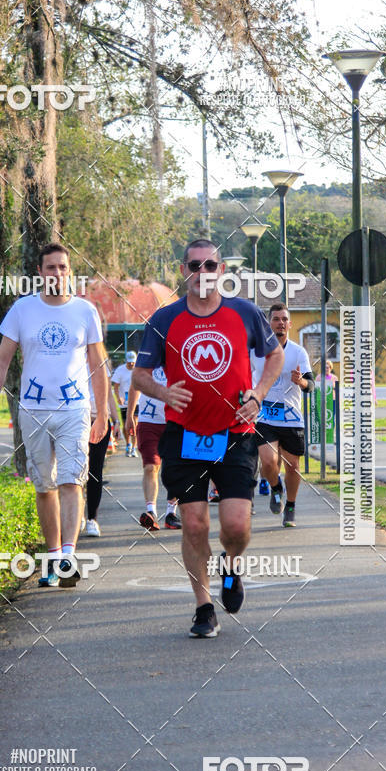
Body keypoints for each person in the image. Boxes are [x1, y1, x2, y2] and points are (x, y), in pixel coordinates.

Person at [133, 238, 283, 638]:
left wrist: (259, 394)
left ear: (221, 271)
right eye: (195, 265)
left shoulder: (245, 312)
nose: (203, 272)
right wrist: (163, 392)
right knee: (195, 524)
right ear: (184, 271)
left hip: (235, 433)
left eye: (211, 265)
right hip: (184, 435)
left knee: (235, 526)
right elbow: (139, 375)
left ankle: (231, 567)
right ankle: (203, 608)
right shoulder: (164, 321)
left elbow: (275, 356)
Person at [0, 242, 108, 588]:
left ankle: (67, 556)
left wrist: (103, 414)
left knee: (72, 480)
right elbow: (2, 360)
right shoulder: (23, 310)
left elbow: (97, 365)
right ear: (39, 272)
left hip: (74, 409)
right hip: (33, 410)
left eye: (63, 267)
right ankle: (53, 558)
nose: (57, 273)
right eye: (51, 267)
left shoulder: (84, 311)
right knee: (44, 486)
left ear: (70, 271)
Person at [250, 303, 315, 528]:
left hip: (291, 417)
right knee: (268, 461)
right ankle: (275, 487)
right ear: (268, 324)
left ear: (290, 324)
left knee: (293, 466)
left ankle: (291, 505)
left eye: (284, 319)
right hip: (265, 416)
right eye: (276, 319)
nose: (280, 323)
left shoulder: (298, 352)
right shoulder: (256, 351)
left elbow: (311, 384)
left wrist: (301, 381)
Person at [125, 367, 182, 531]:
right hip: (148, 421)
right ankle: (151, 513)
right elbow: (135, 385)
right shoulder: (147, 356)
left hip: (174, 420)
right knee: (150, 467)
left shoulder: (179, 353)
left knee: (173, 470)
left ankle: (171, 513)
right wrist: (129, 416)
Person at [85, 378, 121, 537]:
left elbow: (108, 395)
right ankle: (77, 512)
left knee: (94, 472)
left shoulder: (101, 363)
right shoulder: (70, 357)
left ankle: (92, 519)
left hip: (100, 422)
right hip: (76, 421)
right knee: (75, 471)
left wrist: (116, 420)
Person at [112, 351, 138, 457]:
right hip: (124, 402)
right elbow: (116, 386)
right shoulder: (120, 370)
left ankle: (134, 448)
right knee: (126, 424)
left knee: (135, 423)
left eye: (133, 362)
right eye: (129, 362)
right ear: (126, 361)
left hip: (137, 401)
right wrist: (118, 398)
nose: (131, 364)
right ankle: (128, 444)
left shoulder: (139, 369)